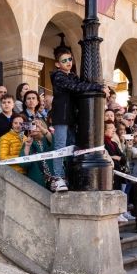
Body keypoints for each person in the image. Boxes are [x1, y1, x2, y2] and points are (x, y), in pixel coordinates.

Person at [50, 46, 109, 190]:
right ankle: (58, 177)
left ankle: (70, 175)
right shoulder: (59, 76)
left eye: (70, 59)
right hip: (61, 117)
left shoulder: (72, 76)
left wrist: (99, 87)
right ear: (58, 64)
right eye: (64, 60)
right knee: (60, 147)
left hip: (71, 117)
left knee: (71, 147)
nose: (68, 62)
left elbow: (82, 84)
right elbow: (75, 88)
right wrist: (98, 87)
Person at [18, 119, 55, 188]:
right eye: (32, 126)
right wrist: (27, 146)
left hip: (54, 181)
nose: (34, 128)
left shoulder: (48, 140)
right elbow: (24, 164)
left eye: (37, 126)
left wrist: (42, 130)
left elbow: (55, 143)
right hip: (37, 182)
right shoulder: (27, 143)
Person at [104, 121, 127, 192]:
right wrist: (116, 158)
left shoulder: (114, 143)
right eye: (110, 128)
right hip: (109, 176)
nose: (113, 130)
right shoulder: (102, 143)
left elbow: (124, 159)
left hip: (118, 175)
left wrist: (119, 158)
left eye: (114, 128)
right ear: (104, 130)